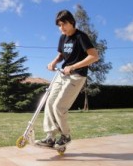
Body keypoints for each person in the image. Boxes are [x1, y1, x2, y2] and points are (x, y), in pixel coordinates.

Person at [35, 9, 99, 149]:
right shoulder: (63, 38)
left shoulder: (81, 37)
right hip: (62, 74)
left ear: (71, 22)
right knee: (50, 102)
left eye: (63, 24)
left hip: (76, 76)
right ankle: (50, 137)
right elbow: (60, 55)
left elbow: (94, 56)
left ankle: (66, 135)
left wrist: (74, 66)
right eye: (59, 25)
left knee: (59, 105)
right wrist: (53, 62)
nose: (61, 28)